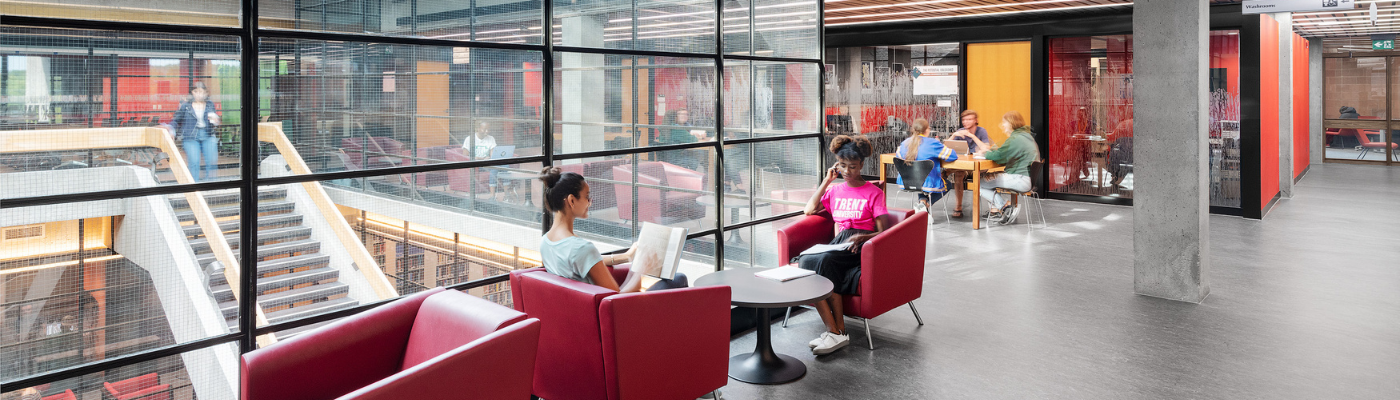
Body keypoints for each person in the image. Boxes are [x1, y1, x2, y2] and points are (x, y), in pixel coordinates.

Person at [797, 135, 887, 356]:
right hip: (840, 242)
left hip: (861, 243)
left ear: (862, 165)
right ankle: (836, 331)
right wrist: (827, 181)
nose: (848, 171)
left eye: (853, 167)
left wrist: (864, 238)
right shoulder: (835, 190)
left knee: (825, 261)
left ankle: (836, 332)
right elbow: (808, 210)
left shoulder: (874, 193)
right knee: (806, 259)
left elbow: (884, 231)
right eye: (843, 166)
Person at [538, 167, 687, 292]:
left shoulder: (546, 242)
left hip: (583, 315)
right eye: (587, 197)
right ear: (571, 200)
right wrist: (641, 270)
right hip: (618, 316)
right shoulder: (582, 248)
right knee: (679, 279)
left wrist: (627, 257)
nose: (590, 202)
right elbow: (617, 301)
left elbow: (581, 260)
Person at [976, 111, 1040, 225]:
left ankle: (1005, 207)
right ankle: (1002, 209)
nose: (1003, 125)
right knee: (984, 181)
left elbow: (1000, 157)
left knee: (978, 183)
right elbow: (1004, 152)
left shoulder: (1015, 139)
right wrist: (992, 151)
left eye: (1004, 122)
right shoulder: (1025, 136)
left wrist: (984, 154)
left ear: (1011, 123)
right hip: (1026, 178)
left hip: (1019, 178)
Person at [161, 81, 221, 181]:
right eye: (196, 91)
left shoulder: (210, 104)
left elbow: (214, 120)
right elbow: (176, 120)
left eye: (201, 91)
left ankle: (210, 185)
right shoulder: (186, 106)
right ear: (192, 93)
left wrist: (216, 121)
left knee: (211, 161)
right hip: (190, 137)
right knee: (194, 162)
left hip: (208, 135)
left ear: (206, 93)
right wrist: (169, 127)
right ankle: (194, 187)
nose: (199, 94)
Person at [896, 118, 958, 211]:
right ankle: (925, 205)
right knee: (947, 184)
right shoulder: (932, 143)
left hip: (905, 182)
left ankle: (922, 203)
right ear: (927, 130)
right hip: (927, 182)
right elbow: (952, 156)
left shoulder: (904, 143)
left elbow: (898, 156)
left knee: (920, 179)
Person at [945, 110, 991, 218]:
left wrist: (972, 136)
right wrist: (954, 135)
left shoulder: (981, 131)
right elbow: (945, 148)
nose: (965, 122)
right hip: (964, 167)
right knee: (959, 174)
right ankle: (958, 206)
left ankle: (946, 172)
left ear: (976, 121)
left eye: (969, 119)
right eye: (964, 120)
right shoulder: (960, 131)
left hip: (978, 168)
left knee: (958, 171)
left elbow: (986, 148)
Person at [465, 122, 500, 198]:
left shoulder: (491, 138)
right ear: (478, 129)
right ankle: (493, 195)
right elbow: (464, 155)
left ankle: (506, 193)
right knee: (495, 168)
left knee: (503, 166)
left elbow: (493, 155)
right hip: (475, 165)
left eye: (488, 129)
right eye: (484, 129)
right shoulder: (470, 139)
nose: (487, 131)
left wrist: (490, 158)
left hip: (487, 164)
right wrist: (480, 158)